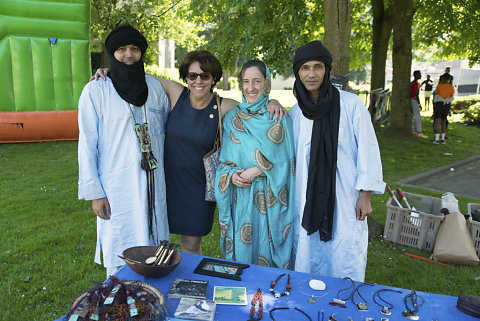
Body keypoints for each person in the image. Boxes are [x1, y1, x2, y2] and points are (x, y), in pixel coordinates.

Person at [93, 53, 285, 255]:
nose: (198, 81)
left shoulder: (224, 106)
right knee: (154, 239)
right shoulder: (177, 95)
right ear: (186, 78)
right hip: (166, 184)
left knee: (191, 245)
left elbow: (254, 110)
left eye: (205, 76)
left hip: (199, 188)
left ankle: (191, 285)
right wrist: (112, 71)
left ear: (214, 78)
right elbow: (140, 74)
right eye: (192, 76)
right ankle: (160, 278)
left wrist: (273, 102)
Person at [289, 41, 385, 282]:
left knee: (344, 252)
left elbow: (368, 150)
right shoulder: (295, 111)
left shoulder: (350, 104)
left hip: (344, 197)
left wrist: (365, 195)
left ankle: (344, 303)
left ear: (327, 70)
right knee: (307, 251)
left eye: (318, 67)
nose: (311, 74)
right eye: (305, 68)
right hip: (306, 195)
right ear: (297, 72)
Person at [78, 25, 170, 277]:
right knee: (121, 250)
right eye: (121, 49)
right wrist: (95, 193)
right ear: (111, 53)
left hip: (153, 182)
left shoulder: (154, 88)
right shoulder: (96, 91)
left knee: (156, 251)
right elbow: (87, 145)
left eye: (134, 49)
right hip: (117, 187)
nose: (128, 54)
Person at [215, 60, 295, 268]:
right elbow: (224, 162)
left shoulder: (279, 116)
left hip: (271, 199)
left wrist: (258, 170)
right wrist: (231, 175)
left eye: (257, 81)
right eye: (246, 81)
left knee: (269, 262)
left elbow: (288, 160)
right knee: (242, 261)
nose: (250, 88)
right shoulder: (232, 119)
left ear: (266, 84)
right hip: (241, 198)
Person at [432, 74, 455, 144]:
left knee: (438, 121)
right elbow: (451, 95)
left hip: (439, 104)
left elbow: (436, 93)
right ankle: (443, 139)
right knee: (444, 121)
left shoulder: (439, 86)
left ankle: (436, 139)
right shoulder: (451, 87)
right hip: (446, 104)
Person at [410, 70, 423, 135]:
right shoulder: (415, 84)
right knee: (417, 116)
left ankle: (412, 129)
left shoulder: (413, 83)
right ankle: (419, 131)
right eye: (419, 74)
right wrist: (419, 103)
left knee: (411, 115)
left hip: (411, 99)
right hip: (414, 100)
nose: (421, 75)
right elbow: (416, 94)